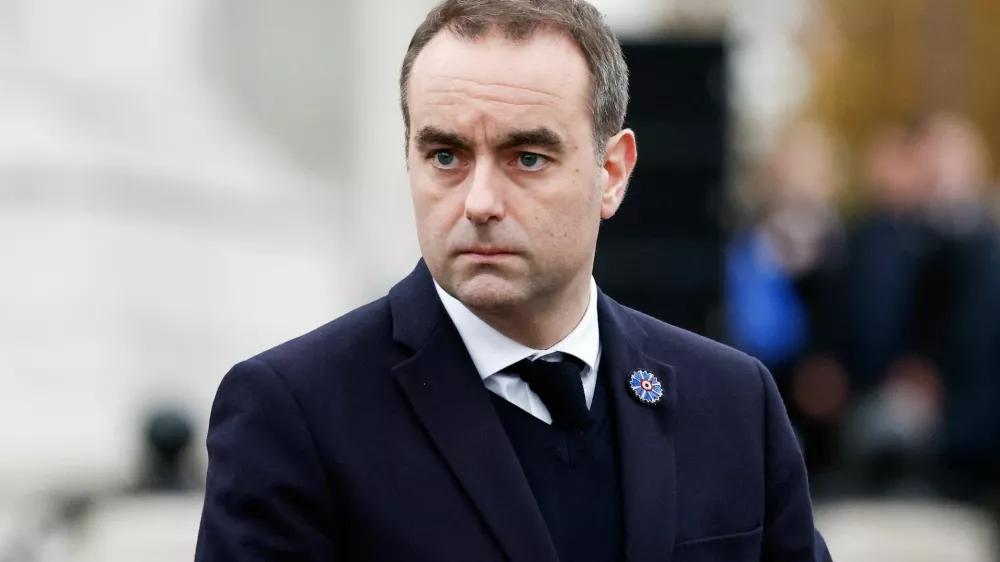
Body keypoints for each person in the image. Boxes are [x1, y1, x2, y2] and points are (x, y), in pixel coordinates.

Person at [195, 1, 833, 560]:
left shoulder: (731, 404)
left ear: (612, 173)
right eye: (445, 156)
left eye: (527, 157)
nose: (478, 201)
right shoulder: (294, 413)